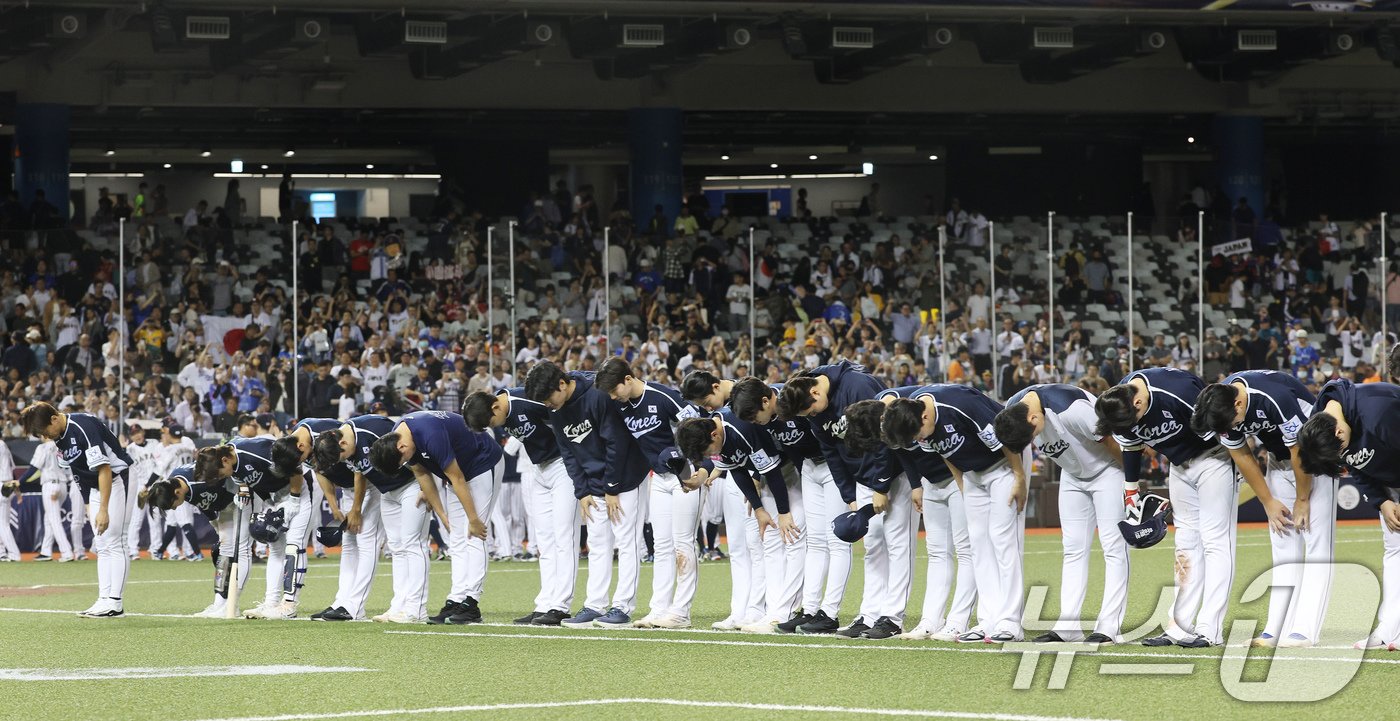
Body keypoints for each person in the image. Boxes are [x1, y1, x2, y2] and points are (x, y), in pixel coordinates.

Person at [1094, 367, 1235, 648]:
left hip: (1215, 459)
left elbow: (1226, 427)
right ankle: (1179, 627)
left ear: (1138, 403)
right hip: (1180, 466)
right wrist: (1131, 491)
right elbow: (1131, 447)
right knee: (1184, 544)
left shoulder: (1178, 392)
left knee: (1215, 541)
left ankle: (1210, 629)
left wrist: (1239, 464)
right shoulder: (1119, 401)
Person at [1192, 370, 1332, 648]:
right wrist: (1268, 502)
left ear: (1239, 405)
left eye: (1231, 423)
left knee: (1315, 543)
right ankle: (1275, 629)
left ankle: (1304, 630)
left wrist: (1302, 500)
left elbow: (1300, 450)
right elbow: (1241, 453)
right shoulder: (1222, 405)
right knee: (1282, 541)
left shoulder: (1272, 397)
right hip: (1279, 460)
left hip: (1314, 459)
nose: (1229, 429)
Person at [881, 385, 1028, 643]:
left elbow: (1006, 438)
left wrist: (1019, 476)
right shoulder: (914, 416)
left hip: (1005, 464)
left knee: (1002, 540)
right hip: (972, 474)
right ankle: (988, 620)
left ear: (925, 417)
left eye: (917, 435)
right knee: (978, 544)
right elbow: (945, 451)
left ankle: (1011, 622)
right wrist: (963, 485)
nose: (917, 441)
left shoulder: (959, 404)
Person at [994, 384, 1129, 644]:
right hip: (1072, 475)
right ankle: (1068, 625)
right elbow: (1010, 443)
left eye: (1032, 437)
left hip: (1108, 471)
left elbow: (1112, 442)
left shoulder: (1071, 408)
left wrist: (1132, 482)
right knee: (1073, 548)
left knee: (1113, 547)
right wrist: (1019, 477)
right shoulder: (1013, 407)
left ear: (1034, 418)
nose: (1033, 443)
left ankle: (1109, 626)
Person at [778, 361, 901, 639]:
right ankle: (869, 616)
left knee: (895, 547)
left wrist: (880, 484)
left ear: (816, 393)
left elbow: (883, 435)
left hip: (890, 474)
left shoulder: (856, 386)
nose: (810, 416)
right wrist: (850, 497)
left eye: (809, 410)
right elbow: (831, 451)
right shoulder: (813, 405)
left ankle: (893, 617)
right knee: (873, 548)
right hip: (860, 477)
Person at [523, 361, 650, 629]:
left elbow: (617, 442)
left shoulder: (597, 394)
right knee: (598, 544)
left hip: (624, 477)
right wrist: (581, 491)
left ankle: (622, 607)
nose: (547, 405)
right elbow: (568, 452)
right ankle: (595, 605)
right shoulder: (557, 409)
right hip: (592, 485)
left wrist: (612, 487)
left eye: (548, 398)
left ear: (561, 384)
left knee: (626, 542)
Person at [724, 376, 853, 636]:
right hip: (807, 469)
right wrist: (758, 477)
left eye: (754, 416)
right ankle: (810, 610)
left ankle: (829, 613)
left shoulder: (794, 398)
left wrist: (849, 486)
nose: (753, 423)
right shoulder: (762, 419)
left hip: (833, 466)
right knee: (815, 542)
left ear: (766, 400)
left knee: (836, 540)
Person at [595, 358, 710, 630]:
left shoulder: (662, 397)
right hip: (658, 478)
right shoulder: (620, 404)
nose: (612, 396)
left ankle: (681, 612)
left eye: (614, 390)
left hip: (685, 473)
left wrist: (702, 468)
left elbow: (702, 429)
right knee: (661, 545)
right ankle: (659, 610)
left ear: (627, 379)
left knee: (683, 543)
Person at [676, 406, 802, 634]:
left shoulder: (740, 427)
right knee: (765, 542)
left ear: (714, 435)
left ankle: (783, 613)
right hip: (769, 472)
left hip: (793, 466)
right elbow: (737, 469)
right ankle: (765, 612)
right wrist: (759, 509)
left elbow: (772, 472)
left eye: (707, 451)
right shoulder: (717, 432)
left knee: (789, 537)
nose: (708, 457)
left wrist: (783, 512)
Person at [369, 410, 501, 626]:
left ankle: (471, 603)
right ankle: (457, 599)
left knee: (475, 534)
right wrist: (443, 517)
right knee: (457, 537)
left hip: (482, 463)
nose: (405, 464)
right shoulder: (398, 437)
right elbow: (422, 473)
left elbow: (457, 477)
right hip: (457, 471)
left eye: (402, 462)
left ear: (401, 448)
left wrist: (474, 518)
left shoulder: (429, 434)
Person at [1297, 378, 1400, 650]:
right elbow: (1356, 465)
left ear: (1341, 432)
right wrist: (1382, 501)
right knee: (1395, 549)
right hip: (1391, 481)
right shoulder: (1321, 430)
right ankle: (1388, 629)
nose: (1343, 455)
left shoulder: (1378, 412)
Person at [462, 388, 577, 627]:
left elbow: (567, 416)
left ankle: (561, 605)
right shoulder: (495, 407)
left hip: (563, 465)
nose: (492, 426)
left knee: (564, 536)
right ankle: (545, 603)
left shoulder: (528, 400)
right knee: (544, 540)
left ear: (496, 408)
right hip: (539, 469)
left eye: (490, 423)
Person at [311, 413, 429, 623]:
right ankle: (399, 606)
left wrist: (427, 486)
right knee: (397, 547)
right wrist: (355, 508)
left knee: (411, 544)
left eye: (342, 455)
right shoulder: (347, 442)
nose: (344, 460)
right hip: (388, 491)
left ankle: (415, 609)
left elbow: (416, 450)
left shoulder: (373, 430)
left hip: (412, 484)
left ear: (343, 442)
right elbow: (360, 471)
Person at [19, 401, 132, 617]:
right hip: (96, 486)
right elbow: (78, 474)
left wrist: (104, 509)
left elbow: (105, 468)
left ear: (54, 419)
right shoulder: (60, 438)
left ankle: (115, 603)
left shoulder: (82, 426)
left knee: (115, 541)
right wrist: (89, 505)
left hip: (118, 478)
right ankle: (103, 599)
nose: (47, 437)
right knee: (100, 543)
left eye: (46, 432)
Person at [193, 437, 313, 620]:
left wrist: (294, 500)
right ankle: (271, 603)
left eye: (219, 473)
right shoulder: (231, 464)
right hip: (277, 496)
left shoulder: (257, 451)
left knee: (294, 546)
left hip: (300, 490)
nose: (221, 477)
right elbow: (250, 481)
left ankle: (289, 604)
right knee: (275, 548)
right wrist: (246, 492)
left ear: (225, 460)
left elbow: (295, 466)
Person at [143, 463, 250, 618]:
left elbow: (231, 468)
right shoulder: (180, 484)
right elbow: (204, 503)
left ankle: (232, 604)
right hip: (227, 502)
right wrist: (215, 523)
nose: (172, 509)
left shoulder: (200, 481)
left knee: (240, 549)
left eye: (170, 504)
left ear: (176, 492)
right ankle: (219, 604)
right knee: (223, 551)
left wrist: (243, 490)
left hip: (242, 496)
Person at [24, 440, 76, 562]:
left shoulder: (43, 447)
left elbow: (34, 468)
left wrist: (20, 481)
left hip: (50, 484)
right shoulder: (62, 444)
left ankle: (67, 552)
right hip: (62, 484)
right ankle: (46, 551)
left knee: (54, 520)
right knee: (49, 519)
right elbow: (67, 466)